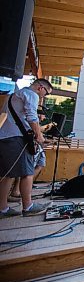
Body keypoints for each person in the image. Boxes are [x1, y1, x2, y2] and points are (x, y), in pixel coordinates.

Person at [0, 79, 53, 218]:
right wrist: (39, 137)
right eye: (45, 93)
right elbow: (31, 117)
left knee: (7, 174)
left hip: (5, 137)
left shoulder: (13, 95)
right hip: (17, 139)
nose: (43, 97)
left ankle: (3, 208)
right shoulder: (31, 95)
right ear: (41, 87)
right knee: (27, 172)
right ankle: (28, 206)